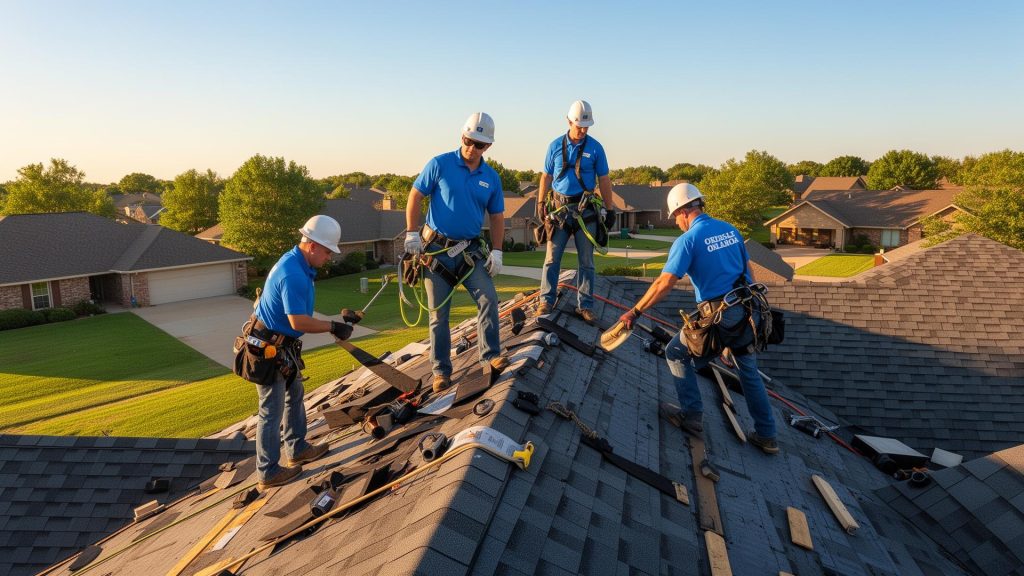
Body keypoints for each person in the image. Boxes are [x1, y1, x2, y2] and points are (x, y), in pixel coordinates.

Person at [617, 183, 779, 454]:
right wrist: (738, 324)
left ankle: (691, 416)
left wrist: (634, 312)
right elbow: (748, 271)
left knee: (676, 352)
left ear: (682, 211)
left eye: (675, 217)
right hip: (748, 311)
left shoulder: (688, 240)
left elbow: (664, 283)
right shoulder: (729, 229)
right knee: (749, 372)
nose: (677, 223)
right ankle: (767, 435)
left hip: (720, 315)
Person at [405, 112, 509, 393]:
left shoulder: (491, 177)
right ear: (462, 136)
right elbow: (415, 196)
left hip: (469, 252)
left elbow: (497, 216)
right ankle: (441, 371)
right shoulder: (440, 164)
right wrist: (412, 232)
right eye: (468, 140)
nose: (471, 148)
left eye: (479, 144)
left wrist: (497, 251)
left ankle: (490, 356)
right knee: (439, 315)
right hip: (436, 252)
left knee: (489, 298)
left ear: (488, 146)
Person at [250, 215, 354, 488]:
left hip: (282, 346)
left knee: (294, 394)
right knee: (270, 410)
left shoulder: (297, 261)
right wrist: (333, 326)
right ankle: (268, 471)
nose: (329, 257)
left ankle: (296, 448)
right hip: (267, 348)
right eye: (328, 251)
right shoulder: (293, 272)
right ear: (312, 246)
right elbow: (298, 321)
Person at [536, 99, 613, 324]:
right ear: (568, 121)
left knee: (587, 260)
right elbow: (546, 176)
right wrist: (540, 203)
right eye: (579, 126)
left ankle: (585, 305)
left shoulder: (596, 148)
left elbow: (605, 179)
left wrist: (610, 209)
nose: (583, 130)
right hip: (559, 209)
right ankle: (546, 300)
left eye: (586, 126)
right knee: (552, 258)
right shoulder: (554, 146)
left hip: (585, 210)